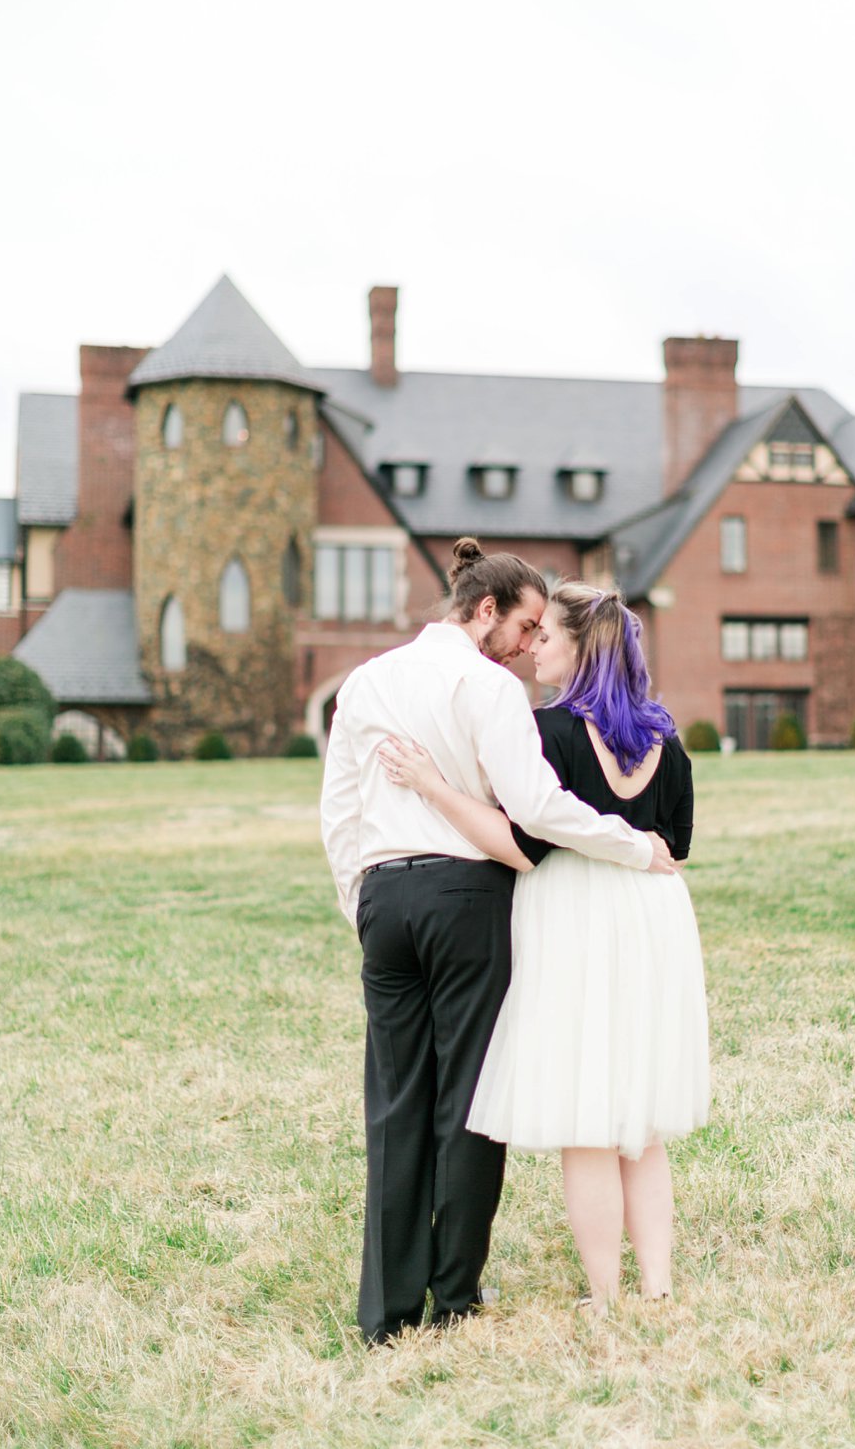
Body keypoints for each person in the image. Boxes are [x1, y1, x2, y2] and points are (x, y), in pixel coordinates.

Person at [320, 539, 680, 1345]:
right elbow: (536, 810)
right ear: (484, 611)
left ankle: (384, 1311)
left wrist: (362, 905)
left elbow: (338, 809)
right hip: (466, 894)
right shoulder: (487, 688)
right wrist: (631, 844)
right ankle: (452, 1295)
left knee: (395, 1102)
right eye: (521, 625)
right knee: (470, 1102)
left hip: (383, 897)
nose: (526, 644)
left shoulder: (367, 680)